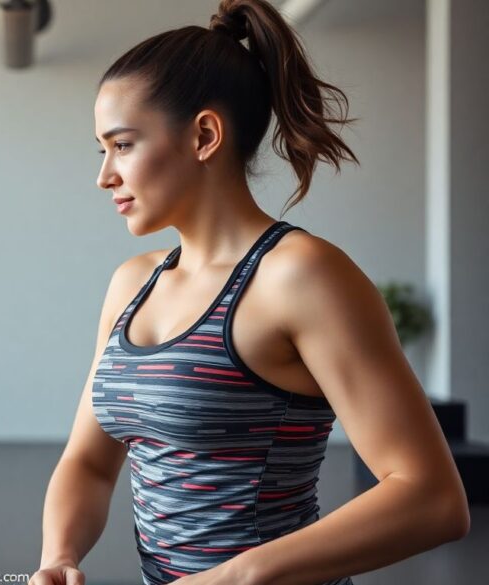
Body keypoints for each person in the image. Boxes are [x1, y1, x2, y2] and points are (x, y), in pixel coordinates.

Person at [28, 1, 470, 584]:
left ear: (205, 135)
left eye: (124, 145)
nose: (105, 174)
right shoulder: (133, 283)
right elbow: (88, 463)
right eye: (102, 149)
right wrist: (58, 558)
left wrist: (234, 577)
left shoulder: (302, 275)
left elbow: (431, 497)